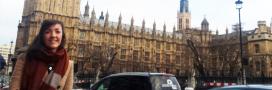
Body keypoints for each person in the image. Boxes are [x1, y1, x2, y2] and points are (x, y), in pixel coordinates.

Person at [10, 20, 73, 90]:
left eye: (57, 32)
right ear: (42, 36)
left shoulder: (68, 64)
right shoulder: (25, 58)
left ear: (62, 36)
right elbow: (14, 87)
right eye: (47, 32)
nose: (53, 35)